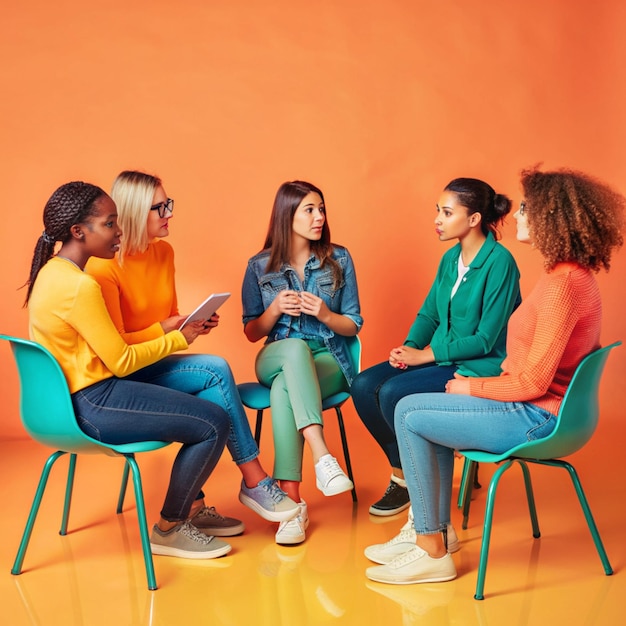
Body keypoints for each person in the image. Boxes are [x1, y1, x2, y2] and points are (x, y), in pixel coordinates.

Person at [365, 166, 625, 585]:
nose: (517, 214)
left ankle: (431, 548)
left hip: (536, 415)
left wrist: (470, 386)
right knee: (415, 407)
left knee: (410, 413)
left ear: (551, 218)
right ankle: (437, 533)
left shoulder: (563, 286)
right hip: (533, 407)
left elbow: (533, 383)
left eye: (526, 208)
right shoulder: (565, 275)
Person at [25, 181, 233, 559]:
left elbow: (106, 349)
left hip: (71, 401)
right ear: (78, 231)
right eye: (109, 224)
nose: (120, 231)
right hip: (94, 403)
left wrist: (167, 329)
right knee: (212, 423)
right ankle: (171, 527)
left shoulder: (51, 274)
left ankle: (194, 508)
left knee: (207, 386)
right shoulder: (80, 286)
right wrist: (180, 339)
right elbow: (119, 360)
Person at [86, 171, 299, 537]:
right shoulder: (104, 267)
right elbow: (118, 347)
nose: (169, 212)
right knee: (214, 373)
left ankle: (196, 505)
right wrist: (172, 332)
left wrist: (191, 324)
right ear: (136, 213)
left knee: (213, 381)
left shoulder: (163, 251)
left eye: (169, 204)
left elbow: (164, 318)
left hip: (153, 360)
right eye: (161, 207)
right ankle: (254, 479)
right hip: (121, 376)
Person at [352, 178, 521, 517]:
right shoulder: (449, 259)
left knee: (391, 394)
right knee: (363, 385)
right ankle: (404, 476)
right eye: (437, 212)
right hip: (440, 356)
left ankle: (424, 477)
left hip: (477, 364)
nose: (438, 220)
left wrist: (425, 355)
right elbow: (430, 311)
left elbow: (486, 340)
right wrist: (409, 347)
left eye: (446, 212)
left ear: (473, 219)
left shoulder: (500, 263)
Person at [241, 180, 363, 545]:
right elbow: (251, 331)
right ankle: (323, 457)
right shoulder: (259, 266)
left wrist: (325, 314)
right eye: (309, 210)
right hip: (276, 353)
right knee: (292, 350)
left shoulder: (338, 259)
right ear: (286, 215)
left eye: (321, 209)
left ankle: (291, 505)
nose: (320, 217)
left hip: (327, 357)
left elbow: (353, 323)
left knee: (283, 390)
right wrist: (274, 309)